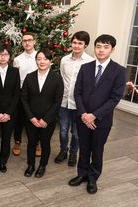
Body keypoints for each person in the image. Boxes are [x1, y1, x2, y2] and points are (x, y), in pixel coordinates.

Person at [69, 34, 126, 194]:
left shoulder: (119, 71)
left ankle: (93, 178)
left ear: (112, 49)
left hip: (101, 120)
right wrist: (83, 113)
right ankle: (82, 174)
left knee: (97, 149)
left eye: (105, 47)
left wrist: (94, 115)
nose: (101, 50)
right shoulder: (85, 67)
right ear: (94, 47)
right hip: (83, 117)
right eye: (98, 46)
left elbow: (115, 98)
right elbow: (77, 92)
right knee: (84, 147)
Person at [54, 31, 95, 167]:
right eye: (74, 42)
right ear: (71, 43)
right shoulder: (64, 60)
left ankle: (73, 153)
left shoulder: (90, 62)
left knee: (76, 133)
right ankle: (63, 151)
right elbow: (62, 78)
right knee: (63, 130)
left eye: (80, 43)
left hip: (80, 105)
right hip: (64, 102)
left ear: (85, 45)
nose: (76, 46)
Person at [22, 48, 64, 178]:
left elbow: (57, 101)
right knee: (31, 142)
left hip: (48, 120)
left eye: (45, 59)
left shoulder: (57, 79)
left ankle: (42, 165)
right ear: (35, 61)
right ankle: (31, 164)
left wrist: (46, 119)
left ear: (50, 61)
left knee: (45, 143)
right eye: (39, 59)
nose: (42, 62)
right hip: (32, 119)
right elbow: (23, 99)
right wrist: (31, 117)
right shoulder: (29, 77)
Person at [0, 45, 20, 174]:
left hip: (9, 112)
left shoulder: (15, 71)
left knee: (6, 138)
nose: (3, 57)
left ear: (9, 56)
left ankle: (3, 161)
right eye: (0, 54)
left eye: (6, 54)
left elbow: (16, 94)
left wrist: (8, 113)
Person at [12, 32, 39, 156]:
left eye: (29, 40)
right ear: (22, 43)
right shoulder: (18, 60)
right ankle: (17, 141)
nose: (27, 43)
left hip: (37, 93)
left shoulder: (40, 57)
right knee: (19, 119)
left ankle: (37, 143)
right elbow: (16, 79)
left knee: (36, 117)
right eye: (24, 41)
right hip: (22, 92)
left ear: (34, 42)